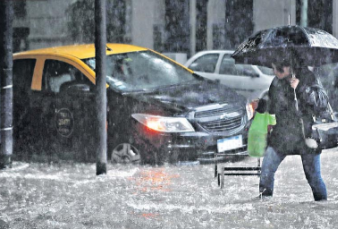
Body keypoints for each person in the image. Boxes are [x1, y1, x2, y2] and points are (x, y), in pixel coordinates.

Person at [259, 56, 329, 201]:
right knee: (266, 170)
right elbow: (271, 107)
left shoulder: (307, 77)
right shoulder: (276, 82)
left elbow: (322, 102)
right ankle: (264, 204)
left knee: (314, 178)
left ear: (290, 66)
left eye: (279, 68)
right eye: (273, 68)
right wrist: (261, 110)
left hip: (307, 136)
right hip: (282, 136)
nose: (275, 72)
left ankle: (322, 206)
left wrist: (301, 88)